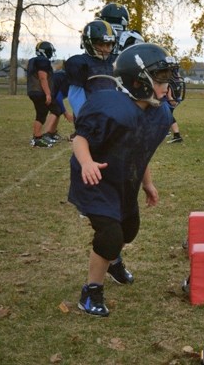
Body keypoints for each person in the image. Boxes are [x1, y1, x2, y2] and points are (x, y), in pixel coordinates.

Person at [69, 43, 176, 317]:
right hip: (96, 178)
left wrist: (147, 183)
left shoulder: (158, 112)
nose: (168, 84)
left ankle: (113, 260)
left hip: (125, 178)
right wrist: (87, 162)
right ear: (139, 80)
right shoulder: (109, 107)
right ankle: (91, 291)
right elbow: (80, 139)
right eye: (161, 78)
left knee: (129, 230)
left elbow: (142, 150)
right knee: (110, 234)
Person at [66, 20, 118, 118]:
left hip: (115, 115)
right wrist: (86, 119)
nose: (106, 49)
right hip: (93, 116)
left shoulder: (116, 61)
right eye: (101, 45)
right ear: (88, 43)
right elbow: (75, 98)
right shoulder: (81, 63)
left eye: (109, 44)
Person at [26, 41, 61, 148]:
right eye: (50, 51)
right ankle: (38, 138)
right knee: (44, 113)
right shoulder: (42, 61)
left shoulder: (33, 60)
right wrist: (48, 94)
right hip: (39, 91)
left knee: (53, 110)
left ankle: (45, 135)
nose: (51, 53)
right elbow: (42, 77)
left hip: (34, 91)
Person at [44, 69, 75, 142]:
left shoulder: (66, 76)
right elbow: (59, 98)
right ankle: (46, 135)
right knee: (56, 110)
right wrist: (66, 114)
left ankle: (52, 133)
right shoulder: (68, 80)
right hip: (47, 93)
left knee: (58, 110)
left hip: (47, 91)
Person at [165, 73, 186, 143]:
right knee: (168, 116)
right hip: (176, 99)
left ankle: (176, 135)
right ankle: (168, 132)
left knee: (168, 116)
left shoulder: (170, 80)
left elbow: (169, 95)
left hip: (171, 101)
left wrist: (172, 100)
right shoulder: (176, 77)